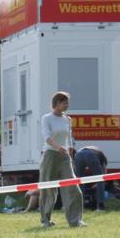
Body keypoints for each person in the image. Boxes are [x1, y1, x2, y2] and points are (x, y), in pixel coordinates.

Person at [39, 91, 85, 228]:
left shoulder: (67, 119)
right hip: (50, 155)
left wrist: (70, 154)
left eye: (67, 102)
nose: (67, 105)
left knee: (73, 188)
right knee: (48, 189)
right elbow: (47, 137)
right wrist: (58, 147)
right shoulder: (46, 118)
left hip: (64, 156)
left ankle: (75, 220)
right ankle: (45, 220)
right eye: (65, 102)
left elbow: (69, 138)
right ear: (57, 103)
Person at [73, 145, 108, 211]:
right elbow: (104, 173)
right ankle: (100, 207)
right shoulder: (103, 157)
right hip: (91, 154)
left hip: (78, 155)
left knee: (79, 181)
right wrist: (99, 183)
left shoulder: (97, 151)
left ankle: (79, 206)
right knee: (100, 180)